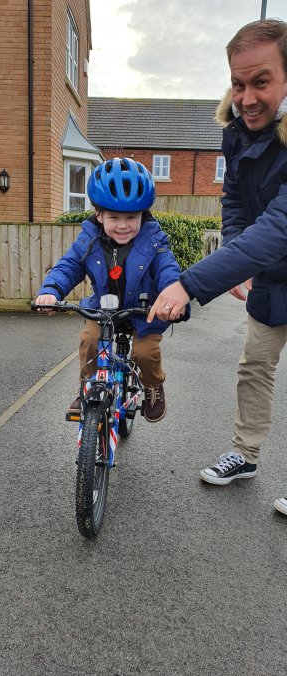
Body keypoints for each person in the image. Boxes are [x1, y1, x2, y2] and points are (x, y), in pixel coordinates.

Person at [147, 18, 287, 515]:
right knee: (255, 368)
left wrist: (191, 284)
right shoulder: (236, 133)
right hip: (273, 279)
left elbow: (278, 227)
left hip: (278, 254)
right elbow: (233, 201)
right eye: (238, 83)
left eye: (261, 82)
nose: (247, 97)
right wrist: (236, 253)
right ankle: (245, 456)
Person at [35, 157, 189, 423]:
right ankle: (87, 386)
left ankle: (153, 386)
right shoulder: (89, 239)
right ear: (99, 215)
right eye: (114, 217)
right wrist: (51, 290)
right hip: (103, 310)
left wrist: (174, 298)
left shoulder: (154, 241)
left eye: (131, 217)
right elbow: (69, 266)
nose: (123, 225)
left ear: (143, 215)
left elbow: (168, 271)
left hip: (144, 313)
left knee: (144, 353)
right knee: (90, 340)